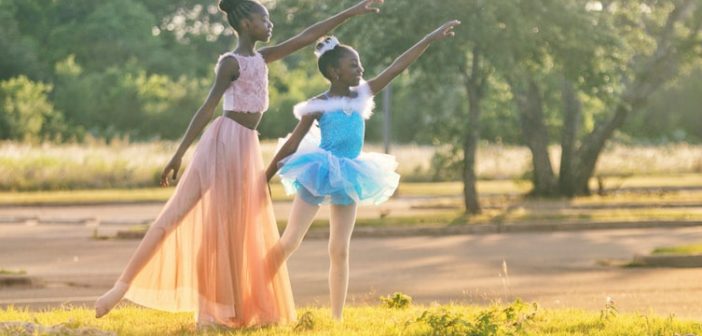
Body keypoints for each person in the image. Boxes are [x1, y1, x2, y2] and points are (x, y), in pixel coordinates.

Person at [94, 0, 385, 328]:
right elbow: (207, 109)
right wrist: (178, 155)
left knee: (237, 229)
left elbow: (307, 36)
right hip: (223, 141)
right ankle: (121, 289)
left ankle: (229, 307)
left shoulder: (263, 58)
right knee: (182, 214)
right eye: (265, 18)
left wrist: (350, 12)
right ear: (246, 24)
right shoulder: (230, 63)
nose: (270, 24)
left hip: (247, 145)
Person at [265, 20, 461, 320]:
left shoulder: (361, 95)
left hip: (350, 174)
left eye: (360, 64)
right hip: (319, 171)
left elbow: (396, 67)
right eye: (353, 65)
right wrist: (263, 177)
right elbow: (293, 141)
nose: (360, 69)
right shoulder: (318, 105)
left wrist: (430, 38)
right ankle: (253, 289)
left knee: (339, 250)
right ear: (334, 72)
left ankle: (337, 317)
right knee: (290, 240)